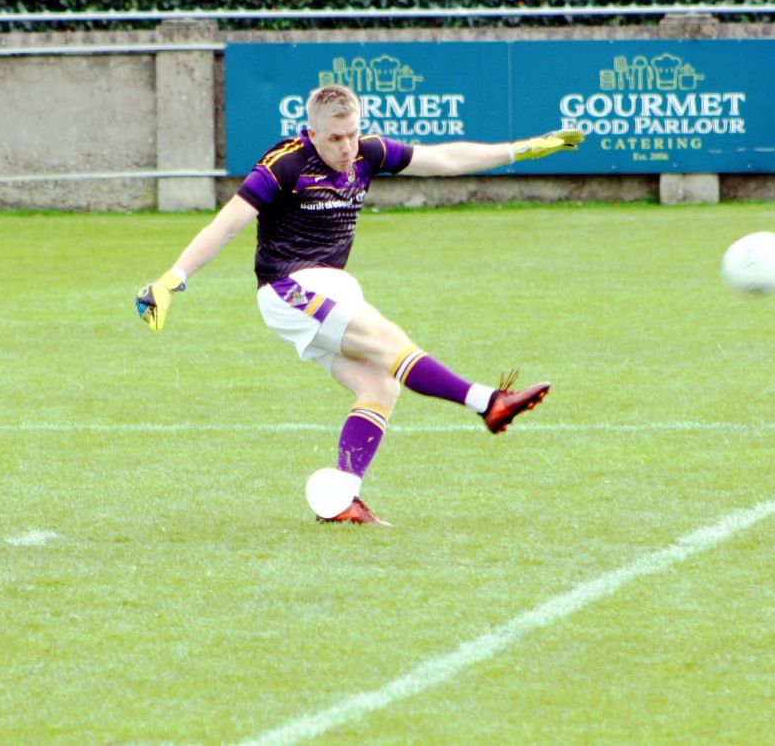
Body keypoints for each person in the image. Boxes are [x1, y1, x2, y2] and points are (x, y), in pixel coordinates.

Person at [137, 84, 583, 526]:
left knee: (380, 387)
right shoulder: (283, 165)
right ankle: (489, 402)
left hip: (331, 286)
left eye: (353, 133)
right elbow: (225, 226)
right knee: (389, 340)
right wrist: (171, 280)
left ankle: (341, 497)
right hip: (288, 288)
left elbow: (445, 159)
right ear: (309, 133)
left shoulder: (368, 153)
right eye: (335, 137)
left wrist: (520, 150)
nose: (348, 146)